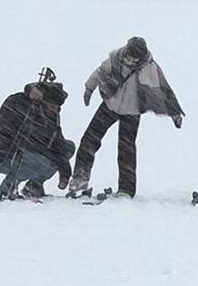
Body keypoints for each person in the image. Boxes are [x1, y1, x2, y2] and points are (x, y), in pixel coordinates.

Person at [70, 37, 184, 198]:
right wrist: (89, 89)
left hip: (132, 110)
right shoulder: (115, 59)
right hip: (110, 105)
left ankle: (126, 189)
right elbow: (99, 73)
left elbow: (163, 89)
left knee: (126, 149)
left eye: (135, 57)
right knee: (89, 139)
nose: (131, 59)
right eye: (129, 55)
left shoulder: (149, 67)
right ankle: (80, 178)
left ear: (142, 56)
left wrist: (175, 112)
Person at [0, 77, 75, 200]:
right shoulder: (19, 102)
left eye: (57, 108)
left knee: (68, 147)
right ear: (43, 101)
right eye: (52, 106)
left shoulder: (52, 117)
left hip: (33, 154)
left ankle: (34, 186)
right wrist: (21, 136)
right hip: (7, 154)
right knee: (44, 162)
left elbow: (59, 145)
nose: (55, 111)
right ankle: (9, 185)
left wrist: (65, 173)